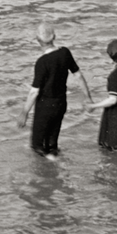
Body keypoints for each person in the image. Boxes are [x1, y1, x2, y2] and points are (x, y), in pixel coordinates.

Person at [17, 22, 93, 159]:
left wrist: (24, 112)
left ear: (38, 40)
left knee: (37, 146)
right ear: (54, 37)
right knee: (52, 144)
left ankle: (53, 167)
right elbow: (79, 76)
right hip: (61, 103)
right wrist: (88, 97)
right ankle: (56, 161)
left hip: (45, 106)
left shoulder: (42, 62)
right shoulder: (65, 53)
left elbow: (35, 92)